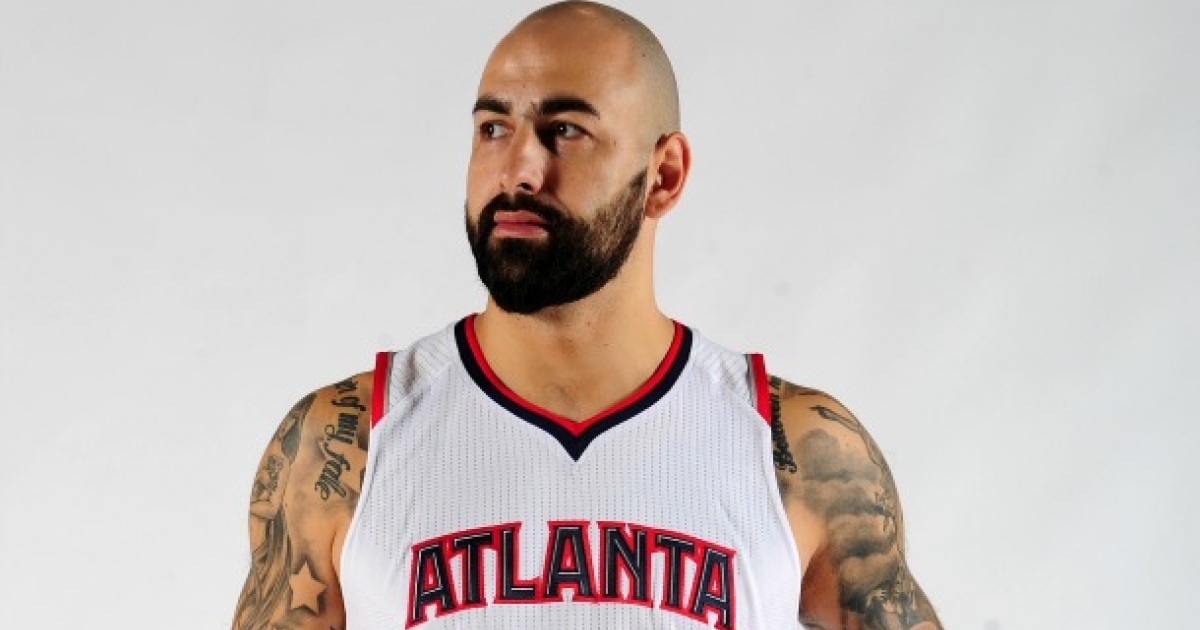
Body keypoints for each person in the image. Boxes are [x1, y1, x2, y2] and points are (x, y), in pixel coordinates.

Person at [231, 2, 943, 629]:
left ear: (663, 176)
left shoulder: (795, 448)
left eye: (566, 130)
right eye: (492, 128)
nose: (518, 169)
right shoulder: (345, 445)